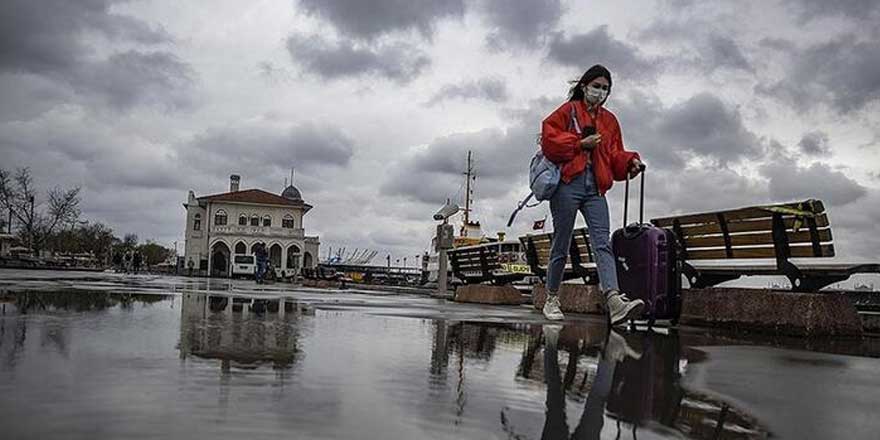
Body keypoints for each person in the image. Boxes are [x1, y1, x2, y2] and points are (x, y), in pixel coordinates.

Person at [540, 64, 645, 325]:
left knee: (602, 243)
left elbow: (614, 154)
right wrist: (579, 143)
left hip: (596, 188)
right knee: (561, 244)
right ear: (584, 86)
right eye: (596, 86)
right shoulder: (568, 111)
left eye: (605, 88)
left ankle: (614, 300)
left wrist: (631, 161)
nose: (600, 92)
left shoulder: (610, 120)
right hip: (567, 184)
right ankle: (552, 298)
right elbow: (549, 139)